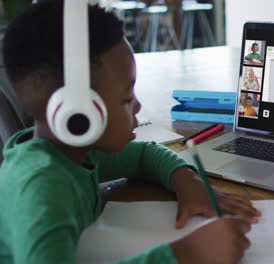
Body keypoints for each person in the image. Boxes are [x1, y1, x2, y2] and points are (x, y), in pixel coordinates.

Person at [0, 2, 260, 264]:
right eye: (126, 98)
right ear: (78, 115)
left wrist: (187, 182)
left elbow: (144, 155)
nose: (137, 105)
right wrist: (186, 254)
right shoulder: (42, 188)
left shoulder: (73, 154)